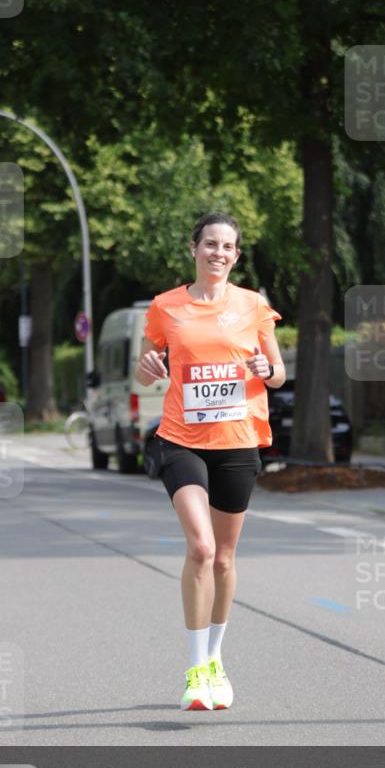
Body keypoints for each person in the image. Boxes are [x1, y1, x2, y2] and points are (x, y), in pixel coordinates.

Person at [135, 213, 286, 711]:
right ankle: (196, 669)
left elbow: (278, 372)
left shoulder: (253, 305)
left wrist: (267, 369)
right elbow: (143, 372)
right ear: (193, 248)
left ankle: (216, 659)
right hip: (181, 439)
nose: (218, 253)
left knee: (224, 557)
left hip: (238, 441)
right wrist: (147, 367)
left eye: (228, 247)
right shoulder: (165, 307)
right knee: (200, 548)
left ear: (236, 256)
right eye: (210, 244)